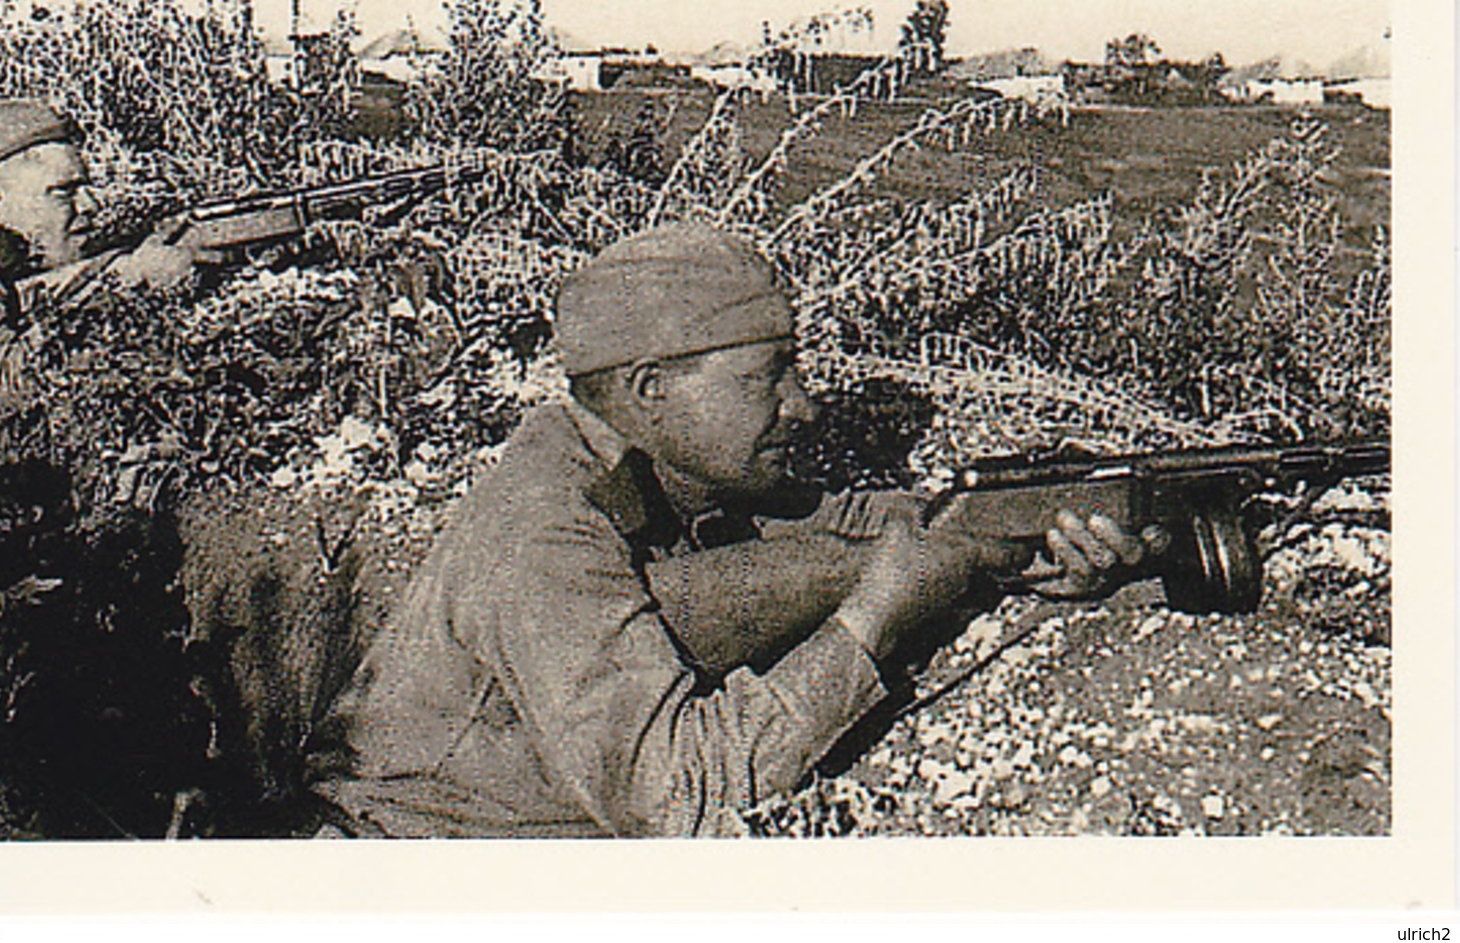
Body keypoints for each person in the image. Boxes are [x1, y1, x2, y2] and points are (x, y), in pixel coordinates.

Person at [309, 222, 1154, 838]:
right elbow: (685, 800)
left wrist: (1021, 544)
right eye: (766, 376)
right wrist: (873, 618)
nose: (803, 403)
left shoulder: (659, 462)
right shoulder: (541, 540)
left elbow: (868, 523)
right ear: (649, 391)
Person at [0, 100, 203, 423]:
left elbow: (38, 295)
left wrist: (118, 265)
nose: (90, 204)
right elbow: (2, 392)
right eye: (64, 191)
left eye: (86, 188)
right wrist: (130, 281)